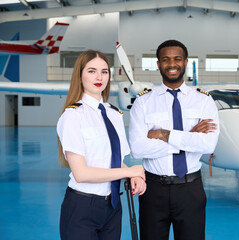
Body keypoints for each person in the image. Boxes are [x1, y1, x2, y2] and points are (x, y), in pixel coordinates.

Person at [129, 40, 220, 240]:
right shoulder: (143, 102)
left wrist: (163, 134)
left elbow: (207, 144)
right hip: (153, 190)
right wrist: (188, 138)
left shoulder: (204, 101)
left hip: (190, 189)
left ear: (185, 62)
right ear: (158, 64)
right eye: (166, 59)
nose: (172, 64)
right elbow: (137, 148)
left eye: (177, 59)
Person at [57, 50, 146, 240]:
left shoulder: (115, 114)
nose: (99, 77)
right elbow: (81, 174)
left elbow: (116, 160)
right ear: (80, 76)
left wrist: (134, 175)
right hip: (82, 206)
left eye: (104, 71)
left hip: (113, 207)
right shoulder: (73, 116)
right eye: (92, 71)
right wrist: (128, 172)